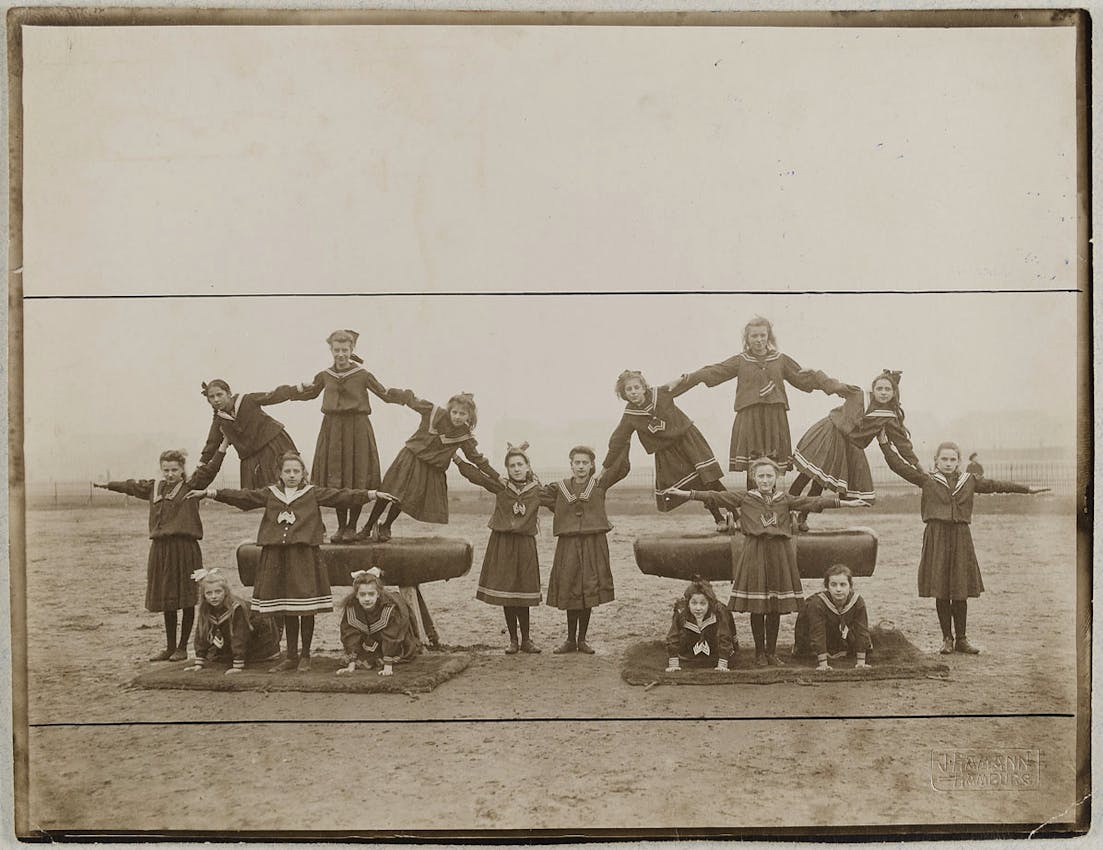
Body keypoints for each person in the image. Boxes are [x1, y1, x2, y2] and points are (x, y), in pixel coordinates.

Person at [186, 451, 388, 672]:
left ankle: (305, 656)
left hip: (303, 556)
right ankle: (291, 656)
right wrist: (211, 493)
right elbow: (243, 497)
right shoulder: (270, 493)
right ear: (280, 474)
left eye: (296, 471)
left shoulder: (313, 493)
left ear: (303, 474)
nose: (292, 475)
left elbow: (341, 496)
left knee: (305, 607)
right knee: (287, 607)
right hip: (277, 558)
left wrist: (372, 494)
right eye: (287, 471)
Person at [664, 457, 867, 667]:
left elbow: (813, 502)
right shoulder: (745, 498)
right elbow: (715, 496)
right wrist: (686, 494)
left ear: (776, 477)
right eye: (761, 476)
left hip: (779, 555)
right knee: (758, 606)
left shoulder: (784, 499)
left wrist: (846, 503)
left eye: (769, 476)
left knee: (774, 607)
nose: (765, 480)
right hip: (755, 553)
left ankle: (771, 653)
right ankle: (759, 653)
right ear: (754, 477)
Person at [878, 433, 1048, 654]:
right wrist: (884, 444)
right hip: (936, 535)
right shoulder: (927, 479)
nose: (948, 463)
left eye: (952, 459)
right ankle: (947, 639)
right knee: (941, 588)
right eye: (944, 460)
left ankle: (962, 639)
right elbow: (898, 466)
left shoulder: (969, 480)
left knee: (959, 589)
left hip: (960, 536)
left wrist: (1026, 489)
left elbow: (996, 485)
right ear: (936, 461)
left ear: (958, 461)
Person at [670, 316, 856, 485]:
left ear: (769, 337)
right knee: (754, 467)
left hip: (775, 418)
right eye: (754, 336)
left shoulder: (780, 359)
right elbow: (712, 372)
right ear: (747, 339)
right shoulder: (741, 360)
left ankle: (773, 512)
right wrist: (684, 378)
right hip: (750, 418)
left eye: (762, 335)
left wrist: (831, 384)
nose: (759, 340)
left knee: (771, 467)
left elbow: (804, 380)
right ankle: (754, 510)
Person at [95, 442, 228, 661]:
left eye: (174, 470)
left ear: (182, 469)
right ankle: (169, 647)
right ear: (161, 469)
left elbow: (210, 469)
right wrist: (107, 485)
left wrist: (222, 448)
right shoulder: (154, 487)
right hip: (161, 550)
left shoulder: (191, 485)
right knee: (168, 599)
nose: (169, 474)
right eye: (166, 470)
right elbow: (131, 486)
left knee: (186, 599)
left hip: (185, 549)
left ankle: (183, 647)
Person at [285, 329, 408, 542]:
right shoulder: (325, 375)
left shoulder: (363, 374)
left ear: (352, 350)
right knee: (337, 479)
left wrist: (408, 397)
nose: (340, 354)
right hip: (332, 430)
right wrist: (290, 391)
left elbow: (385, 394)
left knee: (356, 477)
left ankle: (352, 526)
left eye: (345, 350)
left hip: (357, 429)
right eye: (336, 350)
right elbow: (310, 393)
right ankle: (341, 527)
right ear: (331, 350)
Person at [357, 391, 497, 542]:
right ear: (449, 410)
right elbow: (411, 400)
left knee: (403, 498)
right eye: (454, 412)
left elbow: (477, 459)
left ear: (469, 416)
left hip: (427, 468)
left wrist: (496, 476)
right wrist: (388, 393)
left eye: (462, 414)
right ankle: (367, 527)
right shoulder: (434, 412)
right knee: (389, 491)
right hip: (409, 457)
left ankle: (387, 526)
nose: (457, 416)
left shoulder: (464, 435)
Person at [604, 369, 732, 532]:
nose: (634, 392)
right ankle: (718, 519)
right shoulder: (630, 415)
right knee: (698, 485)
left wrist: (686, 377)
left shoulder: (661, 393)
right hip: (668, 453)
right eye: (629, 389)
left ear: (644, 387)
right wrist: (607, 465)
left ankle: (735, 512)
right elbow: (617, 440)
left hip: (688, 441)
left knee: (710, 479)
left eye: (636, 387)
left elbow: (688, 383)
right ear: (623, 393)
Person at [789, 369, 918, 530]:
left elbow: (902, 444)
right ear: (873, 389)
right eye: (880, 388)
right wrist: (816, 374)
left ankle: (802, 517)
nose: (883, 392)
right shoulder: (858, 394)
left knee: (820, 482)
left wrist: (917, 466)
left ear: (894, 393)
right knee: (807, 474)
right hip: (829, 432)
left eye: (887, 389)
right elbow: (834, 386)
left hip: (846, 446)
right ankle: (784, 512)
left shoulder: (889, 417)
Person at [455, 442, 543, 655]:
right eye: (512, 465)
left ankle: (526, 640)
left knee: (523, 592)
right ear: (507, 468)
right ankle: (513, 640)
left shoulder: (537, 489)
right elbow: (477, 476)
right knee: (507, 592)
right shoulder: (501, 486)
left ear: (528, 466)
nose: (516, 468)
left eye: (520, 464)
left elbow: (560, 501)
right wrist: (458, 460)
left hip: (525, 545)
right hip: (503, 543)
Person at [541, 445, 630, 654]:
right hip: (569, 544)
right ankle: (570, 640)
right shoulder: (560, 487)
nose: (581, 466)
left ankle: (582, 640)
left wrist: (625, 440)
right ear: (571, 465)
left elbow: (622, 468)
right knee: (571, 587)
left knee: (587, 588)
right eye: (577, 463)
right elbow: (538, 495)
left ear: (592, 465)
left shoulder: (599, 484)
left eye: (585, 463)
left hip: (593, 543)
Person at [198, 378, 300, 489]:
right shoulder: (219, 420)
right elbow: (212, 444)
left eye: (219, 395)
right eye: (212, 397)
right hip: (251, 457)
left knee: (286, 483)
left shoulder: (247, 400)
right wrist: (201, 464)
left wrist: (299, 388)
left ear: (228, 393)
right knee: (256, 496)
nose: (216, 400)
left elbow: (273, 396)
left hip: (273, 445)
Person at [184, 568, 281, 674]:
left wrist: (237, 665)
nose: (213, 597)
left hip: (259, 641)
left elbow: (240, 635)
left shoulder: (237, 608)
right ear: (204, 596)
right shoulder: (205, 608)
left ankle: (240, 657)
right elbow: (201, 634)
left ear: (226, 592)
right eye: (209, 593)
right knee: (215, 655)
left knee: (225, 655)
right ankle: (233, 654)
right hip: (235, 639)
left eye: (218, 592)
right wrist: (199, 662)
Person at [336, 569, 421, 676]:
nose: (367, 599)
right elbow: (350, 635)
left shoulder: (390, 609)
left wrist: (388, 667)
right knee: (363, 659)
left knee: (399, 653)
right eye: (362, 595)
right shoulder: (352, 608)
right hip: (368, 642)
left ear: (378, 594)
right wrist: (351, 665)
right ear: (356, 595)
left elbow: (392, 636)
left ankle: (384, 658)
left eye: (371, 594)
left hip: (391, 642)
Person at [793, 564, 872, 671]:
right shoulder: (817, 603)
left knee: (862, 643)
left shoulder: (857, 601)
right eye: (833, 585)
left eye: (843, 584)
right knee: (807, 654)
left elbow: (861, 630)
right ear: (827, 586)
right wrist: (823, 664)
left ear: (850, 586)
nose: (838, 589)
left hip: (834, 633)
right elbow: (817, 632)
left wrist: (861, 662)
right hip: (810, 637)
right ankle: (819, 653)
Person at [664, 576, 737, 672]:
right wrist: (673, 663)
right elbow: (673, 636)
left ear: (710, 603)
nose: (698, 608)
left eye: (703, 603)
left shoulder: (719, 613)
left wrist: (723, 663)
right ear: (688, 603)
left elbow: (725, 636)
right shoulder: (681, 613)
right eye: (694, 603)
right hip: (688, 653)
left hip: (714, 651)